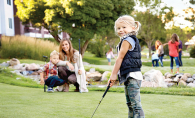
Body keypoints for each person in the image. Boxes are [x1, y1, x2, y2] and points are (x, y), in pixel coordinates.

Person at [107, 15, 145, 118]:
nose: (121, 30)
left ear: (133, 27)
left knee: (135, 106)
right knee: (130, 105)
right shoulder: (127, 39)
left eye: (124, 27)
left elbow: (120, 59)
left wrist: (113, 75)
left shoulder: (127, 40)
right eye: (118, 28)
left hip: (133, 77)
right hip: (128, 76)